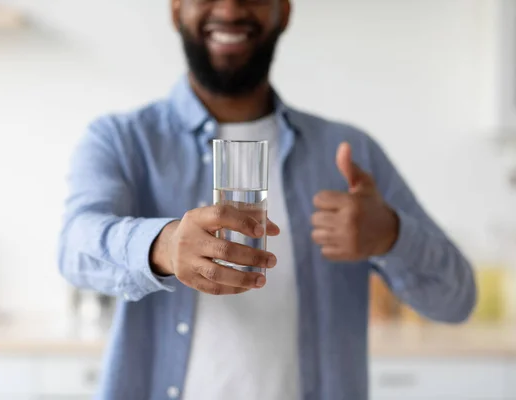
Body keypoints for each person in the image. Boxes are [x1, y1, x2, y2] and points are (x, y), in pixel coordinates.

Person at [58, 0, 476, 399]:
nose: (230, 9)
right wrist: (161, 246)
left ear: (284, 12)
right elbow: (75, 249)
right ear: (175, 10)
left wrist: (392, 235)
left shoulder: (350, 153)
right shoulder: (121, 140)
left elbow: (456, 301)